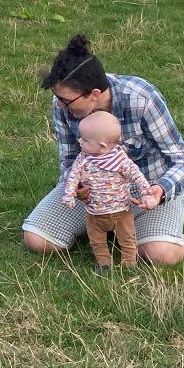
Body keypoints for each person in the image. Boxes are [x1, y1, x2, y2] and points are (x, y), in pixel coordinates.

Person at [23, 34, 184, 266]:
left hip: (145, 191)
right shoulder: (63, 105)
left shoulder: (141, 99)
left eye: (66, 100)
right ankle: (105, 226)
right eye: (57, 97)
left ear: (94, 94)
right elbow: (70, 159)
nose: (60, 104)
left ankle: (162, 231)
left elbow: (183, 160)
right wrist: (78, 188)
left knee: (161, 255)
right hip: (93, 195)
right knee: (37, 240)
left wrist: (160, 190)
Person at [61, 111, 157, 272]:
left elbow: (137, 176)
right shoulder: (83, 157)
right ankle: (104, 263)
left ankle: (129, 263)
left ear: (102, 146)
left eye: (84, 140)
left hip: (120, 211)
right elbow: (74, 175)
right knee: (97, 241)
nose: (79, 141)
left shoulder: (120, 160)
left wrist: (147, 193)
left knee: (127, 239)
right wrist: (70, 194)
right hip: (94, 212)